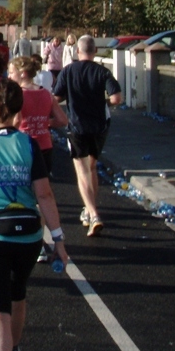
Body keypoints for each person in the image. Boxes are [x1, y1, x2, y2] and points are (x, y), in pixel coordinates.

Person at [0, 79, 68, 351]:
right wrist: (58, 240)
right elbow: (44, 195)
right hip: (27, 235)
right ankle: (15, 346)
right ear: (21, 110)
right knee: (17, 295)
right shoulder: (29, 145)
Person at [53, 34, 122, 237]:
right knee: (92, 168)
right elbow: (117, 98)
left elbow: (56, 97)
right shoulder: (102, 72)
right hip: (99, 127)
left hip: (77, 127)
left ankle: (94, 214)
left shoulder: (68, 71)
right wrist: (104, 103)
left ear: (77, 51)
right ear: (95, 51)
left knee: (82, 171)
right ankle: (88, 209)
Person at [7, 56, 68, 262]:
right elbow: (62, 120)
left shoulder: (18, 96)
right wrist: (43, 122)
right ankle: (41, 241)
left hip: (23, 149)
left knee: (24, 198)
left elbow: (15, 122)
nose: (9, 76)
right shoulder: (46, 94)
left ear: (22, 73)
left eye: (12, 72)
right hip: (45, 148)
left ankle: (35, 243)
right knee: (42, 197)